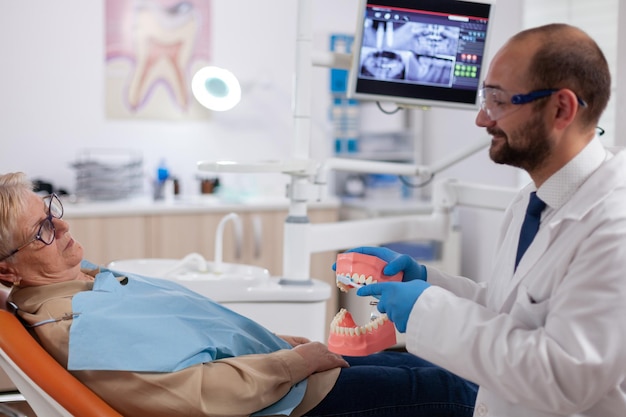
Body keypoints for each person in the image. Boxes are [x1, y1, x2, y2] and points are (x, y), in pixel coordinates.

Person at [0, 171, 478, 417]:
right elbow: (197, 397)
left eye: (52, 210)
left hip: (287, 378)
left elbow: (193, 338)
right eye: (41, 229)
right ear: (7, 270)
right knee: (455, 393)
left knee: (437, 365)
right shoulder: (75, 329)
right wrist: (298, 362)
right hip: (287, 404)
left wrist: (284, 345)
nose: (61, 224)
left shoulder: (87, 280)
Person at [350, 23, 626, 417]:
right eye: (485, 97)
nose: (483, 119)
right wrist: (427, 281)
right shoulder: (535, 200)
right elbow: (509, 309)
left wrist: (427, 309)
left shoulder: (614, 225)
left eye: (498, 101)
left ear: (561, 108)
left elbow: (566, 377)